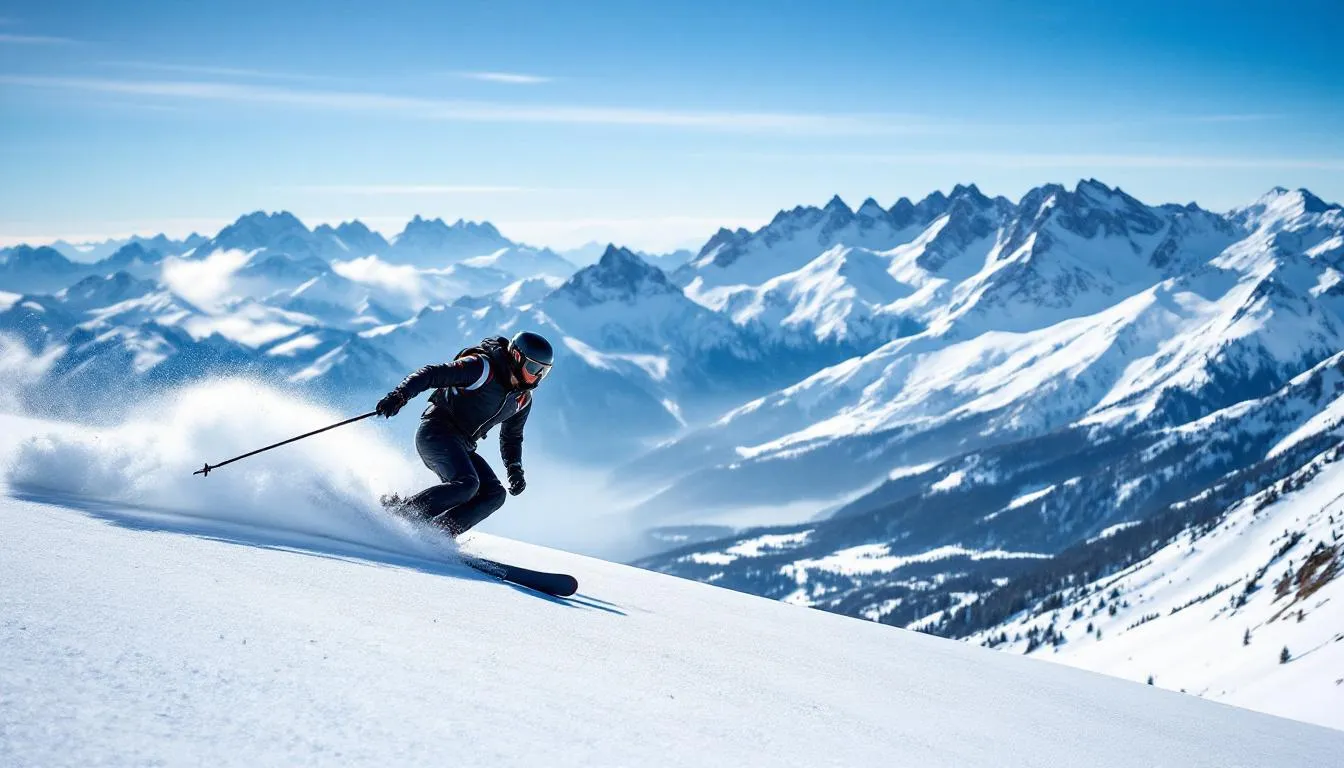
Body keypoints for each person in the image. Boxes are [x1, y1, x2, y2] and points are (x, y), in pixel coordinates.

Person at [374, 331, 553, 536]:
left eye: (544, 371)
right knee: (467, 484)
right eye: (534, 368)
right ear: (517, 357)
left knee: (494, 494)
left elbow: (511, 437)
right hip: (436, 431)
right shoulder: (482, 368)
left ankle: (436, 536)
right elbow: (431, 374)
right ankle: (400, 518)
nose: (538, 376)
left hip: (464, 444)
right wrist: (400, 395)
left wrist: (514, 468)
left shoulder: (522, 399)